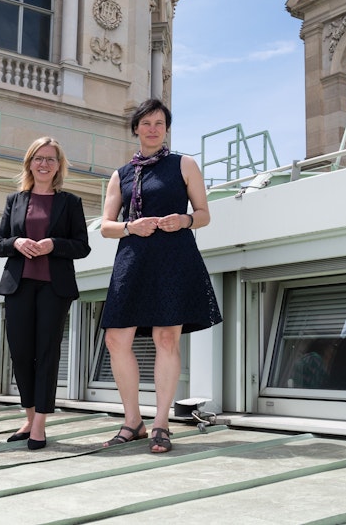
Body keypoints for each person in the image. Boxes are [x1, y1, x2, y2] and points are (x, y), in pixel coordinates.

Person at [99, 99, 221, 453]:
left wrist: (183, 220)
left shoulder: (184, 164)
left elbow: (203, 214)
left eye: (159, 123)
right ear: (135, 128)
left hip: (173, 257)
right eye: (146, 123)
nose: (153, 128)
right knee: (116, 339)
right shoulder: (120, 174)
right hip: (133, 257)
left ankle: (161, 424)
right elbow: (106, 227)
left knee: (167, 338)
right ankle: (132, 421)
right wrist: (129, 226)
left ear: (166, 129)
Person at [0, 138, 91, 451]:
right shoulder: (15, 200)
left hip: (54, 287)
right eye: (39, 158)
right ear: (29, 162)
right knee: (21, 353)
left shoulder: (71, 203)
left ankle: (39, 425)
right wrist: (17, 243)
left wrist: (54, 245)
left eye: (51, 159)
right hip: (18, 285)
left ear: (58, 165)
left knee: (47, 355)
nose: (44, 164)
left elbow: (82, 246)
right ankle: (29, 414)